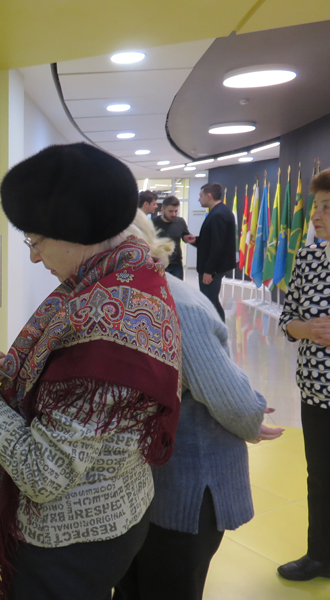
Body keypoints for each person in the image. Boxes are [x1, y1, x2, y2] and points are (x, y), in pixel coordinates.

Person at [0, 143, 182, 600]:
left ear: (74, 234)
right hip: (118, 509)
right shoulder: (133, 276)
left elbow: (43, 473)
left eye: (35, 241)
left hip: (70, 543)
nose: (33, 257)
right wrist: (24, 372)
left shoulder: (105, 321)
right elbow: (84, 393)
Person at [113, 211, 283, 600]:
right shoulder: (134, 296)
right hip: (148, 487)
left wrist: (251, 414)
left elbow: (231, 401)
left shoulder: (177, 304)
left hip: (185, 490)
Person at [277, 166, 330, 582]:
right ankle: (324, 557)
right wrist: (305, 329)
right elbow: (287, 319)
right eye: (315, 207)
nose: (316, 216)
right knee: (321, 480)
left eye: (327, 207)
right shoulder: (308, 258)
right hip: (317, 392)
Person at [189, 183, 236, 321]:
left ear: (208, 196)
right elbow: (212, 240)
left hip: (213, 269)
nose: (199, 199)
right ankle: (219, 328)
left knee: (209, 301)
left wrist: (209, 271)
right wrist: (197, 240)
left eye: (201, 196)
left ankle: (217, 329)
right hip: (214, 267)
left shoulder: (218, 214)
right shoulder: (219, 211)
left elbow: (217, 245)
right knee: (211, 300)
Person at [152, 195, 195, 280]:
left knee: (178, 288)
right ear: (162, 210)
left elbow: (184, 235)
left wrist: (186, 238)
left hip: (176, 265)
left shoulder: (180, 222)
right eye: (171, 211)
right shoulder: (154, 222)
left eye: (176, 211)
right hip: (159, 263)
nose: (174, 214)